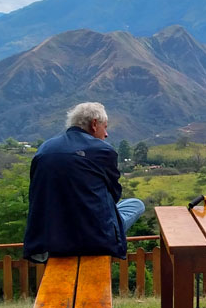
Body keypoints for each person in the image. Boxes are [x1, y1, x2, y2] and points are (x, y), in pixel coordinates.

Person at [23, 102, 145, 262]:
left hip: (49, 236)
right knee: (136, 204)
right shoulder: (102, 151)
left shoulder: (44, 149)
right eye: (105, 127)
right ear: (94, 124)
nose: (106, 134)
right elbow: (114, 195)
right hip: (94, 238)